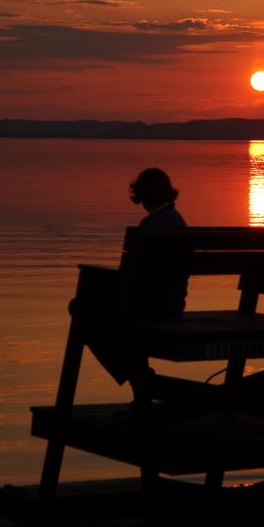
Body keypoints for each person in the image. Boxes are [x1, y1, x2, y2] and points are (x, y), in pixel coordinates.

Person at [69, 168, 188, 406]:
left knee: (81, 309)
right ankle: (140, 384)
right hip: (172, 303)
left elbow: (132, 277)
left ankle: (138, 378)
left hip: (151, 305)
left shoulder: (153, 226)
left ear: (144, 195)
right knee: (108, 310)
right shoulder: (176, 221)